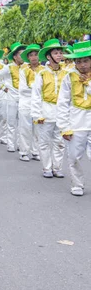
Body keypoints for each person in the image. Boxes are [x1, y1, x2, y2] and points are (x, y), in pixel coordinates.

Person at [30, 39, 69, 178]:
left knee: (60, 142)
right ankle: (47, 167)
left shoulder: (66, 73)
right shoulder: (41, 74)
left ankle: (57, 167)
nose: (59, 55)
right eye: (56, 53)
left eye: (60, 53)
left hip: (61, 112)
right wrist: (37, 115)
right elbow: (36, 95)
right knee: (44, 142)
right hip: (45, 112)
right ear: (48, 56)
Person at [56, 41, 91, 196]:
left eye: (85, 61)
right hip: (76, 123)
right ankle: (77, 184)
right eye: (79, 61)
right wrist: (64, 127)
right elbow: (62, 102)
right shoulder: (69, 77)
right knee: (74, 156)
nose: (82, 65)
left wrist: (88, 84)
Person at [0, 42, 27, 153]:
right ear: (14, 56)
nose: (22, 57)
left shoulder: (27, 67)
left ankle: (19, 144)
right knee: (11, 122)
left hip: (24, 99)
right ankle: (10, 144)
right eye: (20, 55)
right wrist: (3, 88)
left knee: (22, 123)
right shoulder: (8, 67)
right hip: (12, 98)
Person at [18, 44, 42, 162]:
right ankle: (23, 151)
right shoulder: (23, 70)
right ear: (28, 57)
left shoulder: (44, 70)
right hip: (26, 103)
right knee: (25, 128)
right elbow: (22, 89)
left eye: (36, 54)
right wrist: (37, 89)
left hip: (39, 104)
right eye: (31, 55)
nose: (33, 57)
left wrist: (34, 89)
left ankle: (35, 151)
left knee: (38, 128)